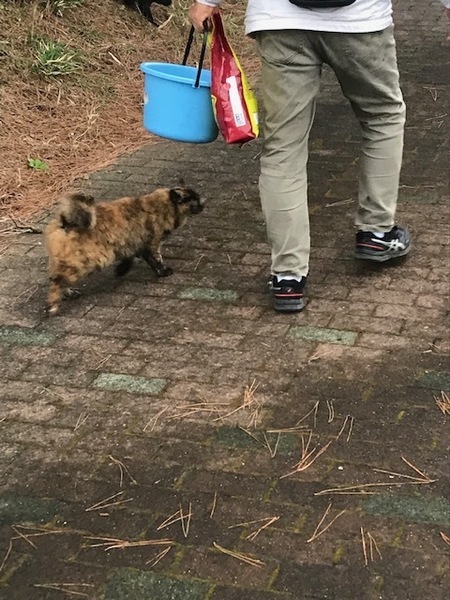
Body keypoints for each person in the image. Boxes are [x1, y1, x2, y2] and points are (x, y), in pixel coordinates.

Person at [188, 1, 421, 313]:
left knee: (283, 147)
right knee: (383, 116)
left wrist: (206, 2)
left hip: (280, 22)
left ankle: (287, 276)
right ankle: (377, 231)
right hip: (360, 22)